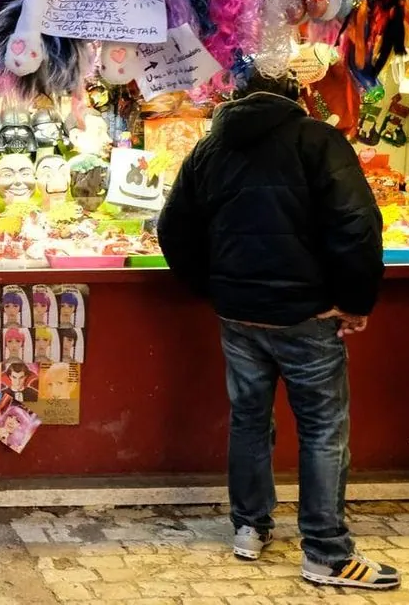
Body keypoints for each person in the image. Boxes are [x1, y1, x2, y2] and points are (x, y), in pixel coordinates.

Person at [157, 71, 394, 590]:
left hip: (239, 315)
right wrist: (354, 302)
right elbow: (357, 223)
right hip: (305, 316)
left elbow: (172, 229)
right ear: (297, 94)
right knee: (323, 432)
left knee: (248, 421)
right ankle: (327, 554)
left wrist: (214, 289)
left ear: (236, 94)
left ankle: (249, 527)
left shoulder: (209, 150)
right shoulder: (318, 141)